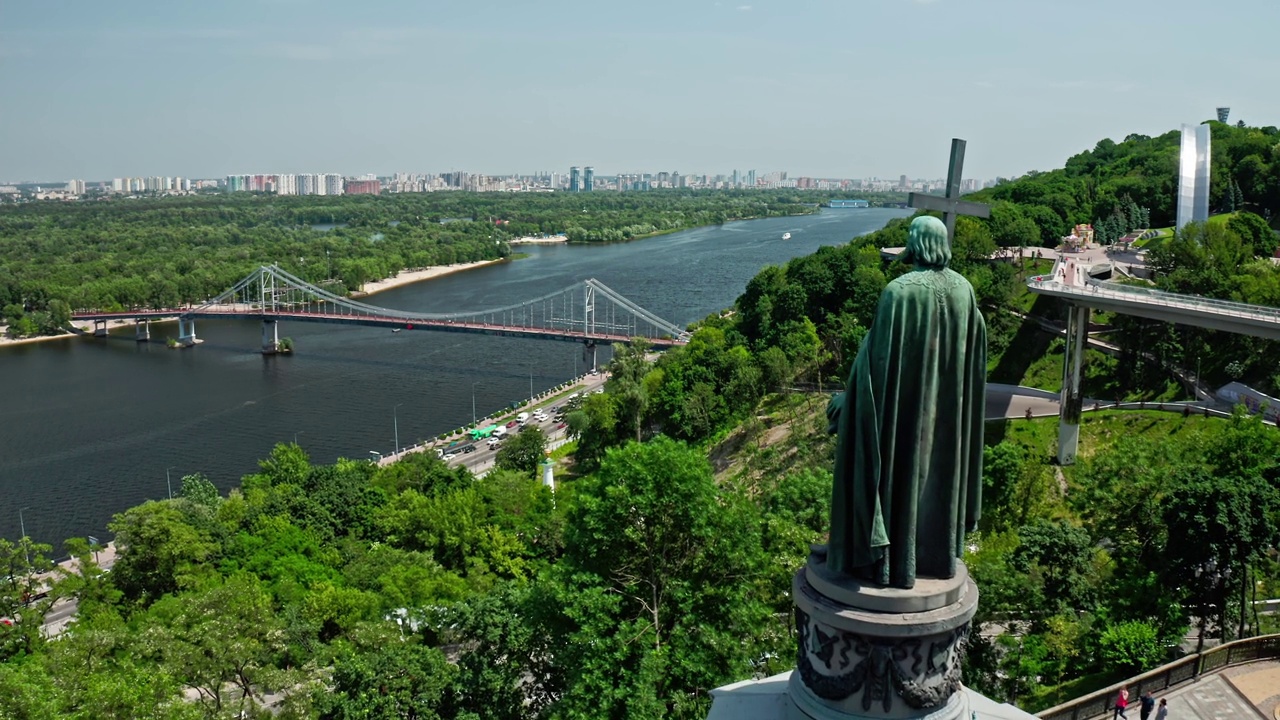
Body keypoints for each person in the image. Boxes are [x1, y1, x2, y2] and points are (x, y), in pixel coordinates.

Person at [826, 216, 986, 588]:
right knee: (936, 478)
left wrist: (849, 400)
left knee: (895, 475)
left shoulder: (899, 292)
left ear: (914, 244)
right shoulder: (964, 290)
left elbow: (877, 369)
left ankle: (884, 562)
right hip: (946, 417)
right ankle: (935, 555)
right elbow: (973, 359)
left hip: (902, 417)